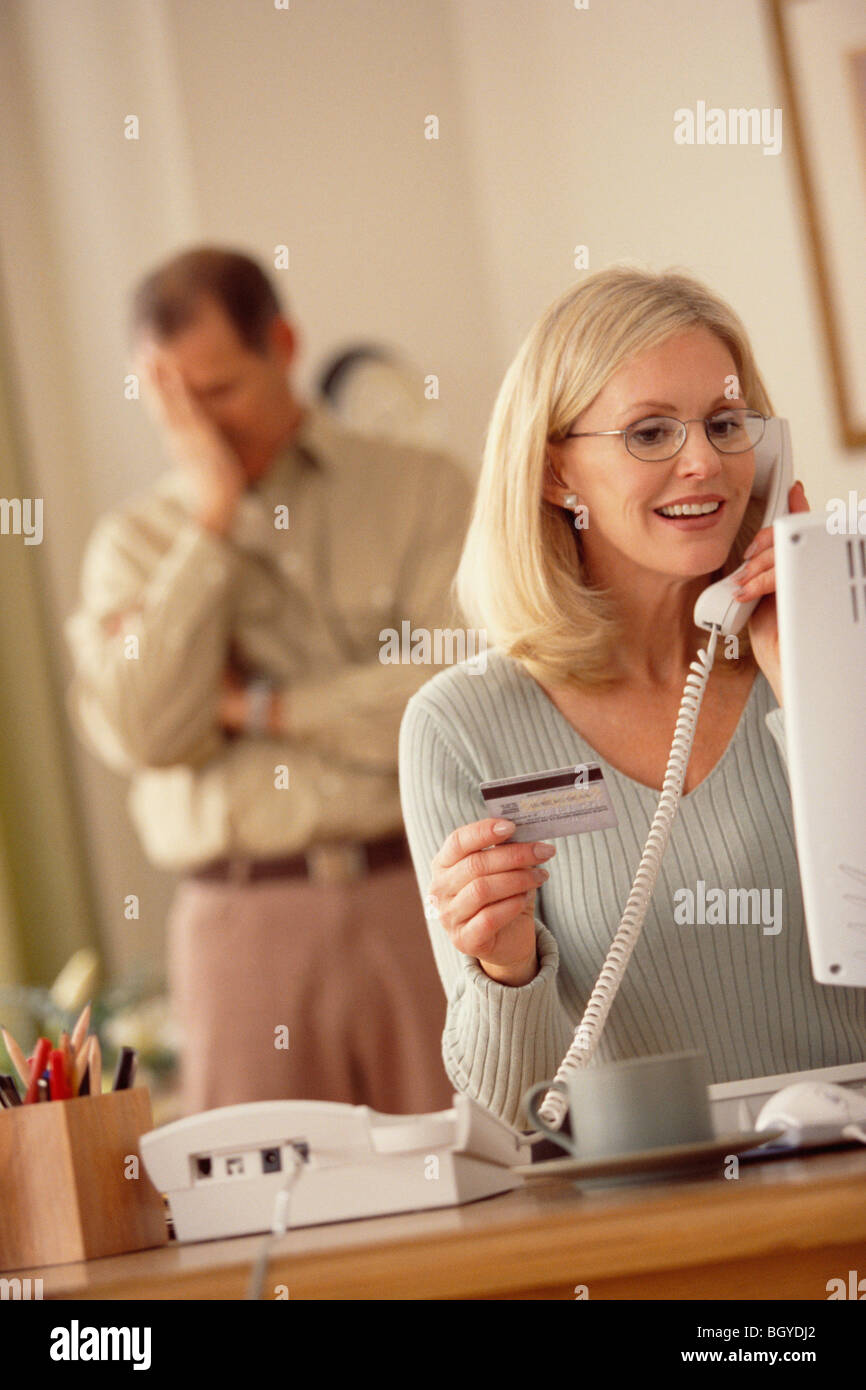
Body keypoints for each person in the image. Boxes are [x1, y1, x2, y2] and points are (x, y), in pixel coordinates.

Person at [398, 264, 866, 1131]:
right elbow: (513, 1118)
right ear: (553, 474)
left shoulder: (839, 647)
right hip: (646, 1215)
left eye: (727, 425)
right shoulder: (461, 726)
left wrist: (813, 685)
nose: (703, 461)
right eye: (650, 432)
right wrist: (505, 972)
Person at [65, 246, 474, 1116]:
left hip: (422, 895)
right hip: (241, 923)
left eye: (217, 392)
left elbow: (458, 697)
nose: (198, 429)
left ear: (283, 343)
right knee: (265, 1227)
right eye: (170, 402)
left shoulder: (421, 489)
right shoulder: (133, 547)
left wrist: (258, 706)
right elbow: (144, 732)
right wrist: (209, 528)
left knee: (479, 1190)